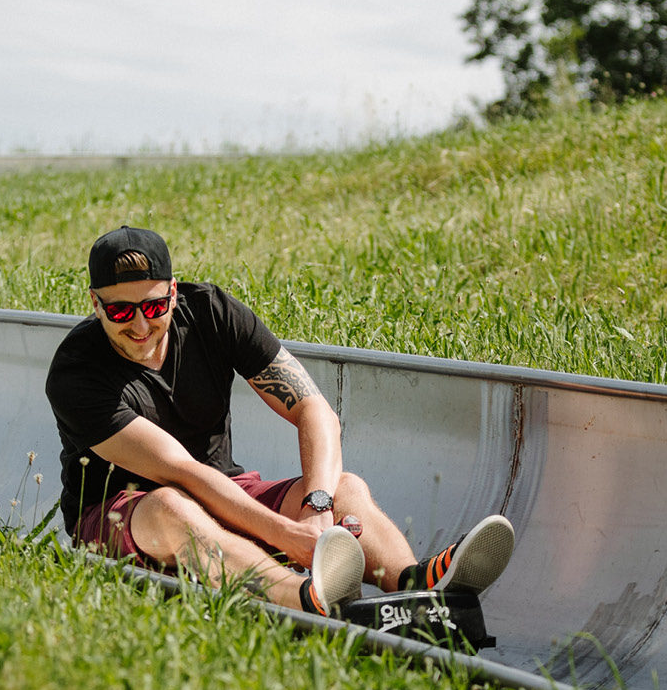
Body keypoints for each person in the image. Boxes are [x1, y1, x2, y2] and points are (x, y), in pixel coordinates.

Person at [46, 224, 514, 615]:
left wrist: (317, 508)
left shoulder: (210, 312)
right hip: (125, 516)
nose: (141, 325)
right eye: (121, 311)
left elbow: (315, 411)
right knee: (172, 505)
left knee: (344, 487)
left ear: (172, 291)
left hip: (224, 493)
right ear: (95, 304)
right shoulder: (75, 373)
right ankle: (306, 599)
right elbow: (180, 472)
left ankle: (417, 591)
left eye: (153, 306)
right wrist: (292, 539)